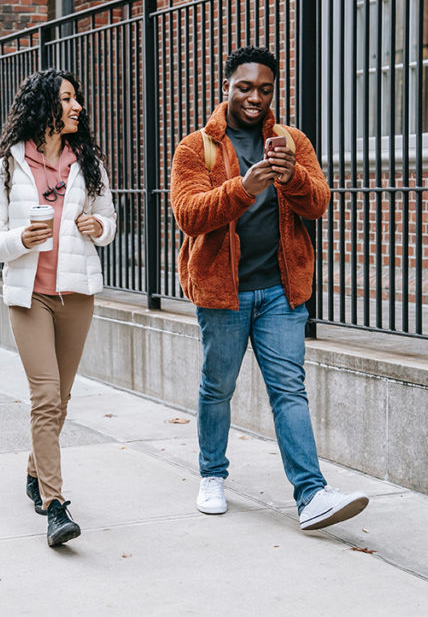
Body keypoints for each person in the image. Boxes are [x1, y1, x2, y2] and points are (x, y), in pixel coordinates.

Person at [169, 46, 368, 531]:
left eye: (264, 89)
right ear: (225, 87)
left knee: (289, 390)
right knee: (218, 387)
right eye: (244, 87)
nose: (254, 97)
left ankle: (312, 494)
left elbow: (319, 202)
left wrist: (292, 176)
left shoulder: (290, 140)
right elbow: (187, 214)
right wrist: (245, 187)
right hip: (224, 293)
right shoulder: (198, 147)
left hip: (281, 291)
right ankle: (212, 474)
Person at [0, 68, 117, 547]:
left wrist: (100, 229)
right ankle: (55, 506)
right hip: (29, 294)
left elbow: (109, 218)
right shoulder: (6, 170)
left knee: (63, 396)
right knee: (47, 396)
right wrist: (21, 238)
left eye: (78, 99)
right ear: (44, 107)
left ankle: (36, 470)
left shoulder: (87, 162)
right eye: (68, 99)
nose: (78, 107)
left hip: (76, 293)